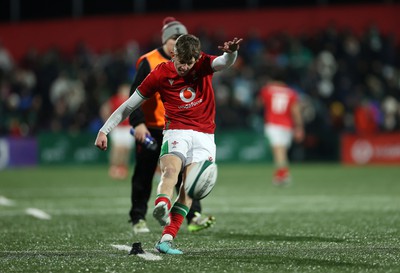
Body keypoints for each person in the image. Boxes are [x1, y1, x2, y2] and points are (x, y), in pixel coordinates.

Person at [95, 34, 242, 254]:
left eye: (189, 63)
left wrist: (231, 53)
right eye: (180, 61)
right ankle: (161, 204)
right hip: (177, 130)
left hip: (204, 136)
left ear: (196, 58)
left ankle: (166, 239)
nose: (184, 67)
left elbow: (224, 62)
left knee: (189, 189)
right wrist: (104, 130)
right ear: (173, 54)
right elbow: (129, 106)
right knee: (170, 170)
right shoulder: (161, 73)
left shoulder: (202, 63)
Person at [128, 17, 215, 234]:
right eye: (173, 38)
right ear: (166, 40)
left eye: (179, 38)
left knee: (187, 175)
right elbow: (135, 94)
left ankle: (193, 216)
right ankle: (138, 216)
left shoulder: (191, 63)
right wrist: (137, 123)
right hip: (151, 128)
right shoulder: (150, 60)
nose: (176, 42)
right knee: (144, 173)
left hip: (179, 127)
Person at [257, 72, 305, 185]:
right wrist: (299, 127)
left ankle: (282, 175)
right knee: (281, 150)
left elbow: (259, 103)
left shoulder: (267, 90)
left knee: (278, 150)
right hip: (287, 125)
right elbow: (296, 111)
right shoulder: (291, 92)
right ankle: (283, 174)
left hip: (273, 123)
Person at [100, 83, 134, 179]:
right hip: (118, 127)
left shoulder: (132, 99)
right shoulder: (115, 99)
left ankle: (122, 168)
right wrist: (107, 121)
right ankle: (114, 168)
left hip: (129, 128)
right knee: (117, 149)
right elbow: (105, 109)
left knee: (126, 149)